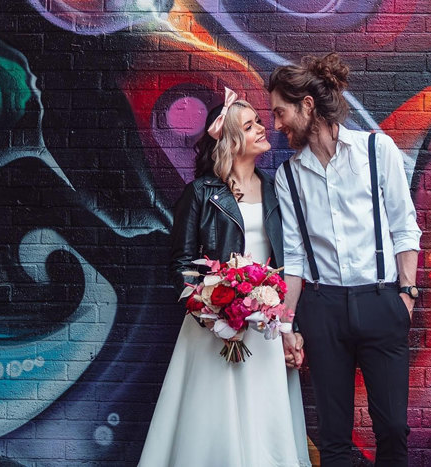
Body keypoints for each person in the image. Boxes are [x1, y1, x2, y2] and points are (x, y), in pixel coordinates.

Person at [138, 87, 311, 467]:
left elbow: (287, 259)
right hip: (214, 327)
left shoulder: (275, 189)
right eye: (250, 127)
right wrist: (212, 310)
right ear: (233, 141)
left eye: (259, 123)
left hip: (264, 326)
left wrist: (283, 323)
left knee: (263, 416)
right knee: (213, 416)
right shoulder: (201, 193)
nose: (262, 130)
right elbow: (182, 262)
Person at [270, 54, 422, 466]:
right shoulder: (288, 175)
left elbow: (405, 228)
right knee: (334, 436)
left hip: (381, 301)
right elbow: (296, 257)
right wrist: (288, 324)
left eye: (281, 113)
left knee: (392, 426)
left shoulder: (376, 150)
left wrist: (405, 296)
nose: (277, 125)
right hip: (324, 310)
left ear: (307, 105)